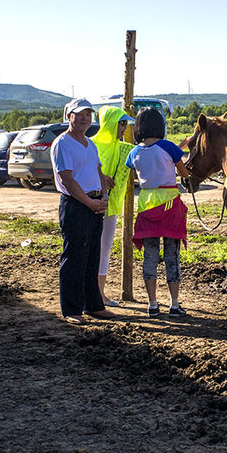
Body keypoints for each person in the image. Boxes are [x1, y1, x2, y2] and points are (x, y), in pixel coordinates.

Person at [52, 98, 115, 324]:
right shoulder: (63, 143)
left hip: (95, 204)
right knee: (74, 257)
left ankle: (93, 305)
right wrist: (89, 202)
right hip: (76, 205)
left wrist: (104, 196)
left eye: (88, 114)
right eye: (79, 114)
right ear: (69, 116)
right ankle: (71, 310)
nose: (84, 118)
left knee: (92, 256)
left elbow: (99, 171)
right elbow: (67, 180)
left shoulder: (90, 144)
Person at [126, 107, 190, 317]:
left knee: (150, 257)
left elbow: (147, 164)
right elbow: (183, 171)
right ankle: (174, 304)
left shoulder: (133, 152)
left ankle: (152, 304)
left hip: (147, 204)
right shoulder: (168, 147)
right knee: (172, 256)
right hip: (169, 205)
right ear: (160, 125)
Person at [92, 105, 135, 307]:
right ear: (110, 123)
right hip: (89, 205)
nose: (123, 128)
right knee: (90, 248)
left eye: (125, 124)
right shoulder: (90, 145)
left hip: (109, 207)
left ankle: (99, 293)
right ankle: (89, 292)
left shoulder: (122, 148)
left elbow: (143, 153)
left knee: (105, 249)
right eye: (121, 123)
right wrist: (100, 177)